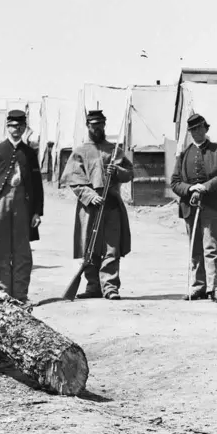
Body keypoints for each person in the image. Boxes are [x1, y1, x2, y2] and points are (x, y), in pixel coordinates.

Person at [61, 110, 134, 301]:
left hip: (111, 204)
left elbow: (129, 174)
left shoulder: (115, 149)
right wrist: (89, 195)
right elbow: (74, 180)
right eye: (94, 124)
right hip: (89, 207)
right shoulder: (80, 152)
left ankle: (110, 287)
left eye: (101, 124)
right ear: (88, 126)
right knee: (90, 246)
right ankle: (93, 286)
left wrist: (117, 170)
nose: (98, 128)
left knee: (111, 246)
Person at [0, 109, 43, 307]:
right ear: (7, 127)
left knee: (23, 251)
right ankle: (2, 293)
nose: (16, 130)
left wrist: (37, 212)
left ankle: (20, 295)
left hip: (23, 206)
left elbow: (37, 184)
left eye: (20, 126)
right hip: (1, 205)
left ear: (25, 128)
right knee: (1, 250)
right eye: (13, 126)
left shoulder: (30, 153)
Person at [170, 113, 217, 303]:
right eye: (192, 130)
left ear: (206, 128)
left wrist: (206, 187)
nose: (196, 132)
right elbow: (174, 182)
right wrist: (190, 189)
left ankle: (216, 288)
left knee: (212, 247)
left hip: (211, 206)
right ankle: (198, 287)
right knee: (195, 249)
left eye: (199, 128)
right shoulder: (184, 154)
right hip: (190, 207)